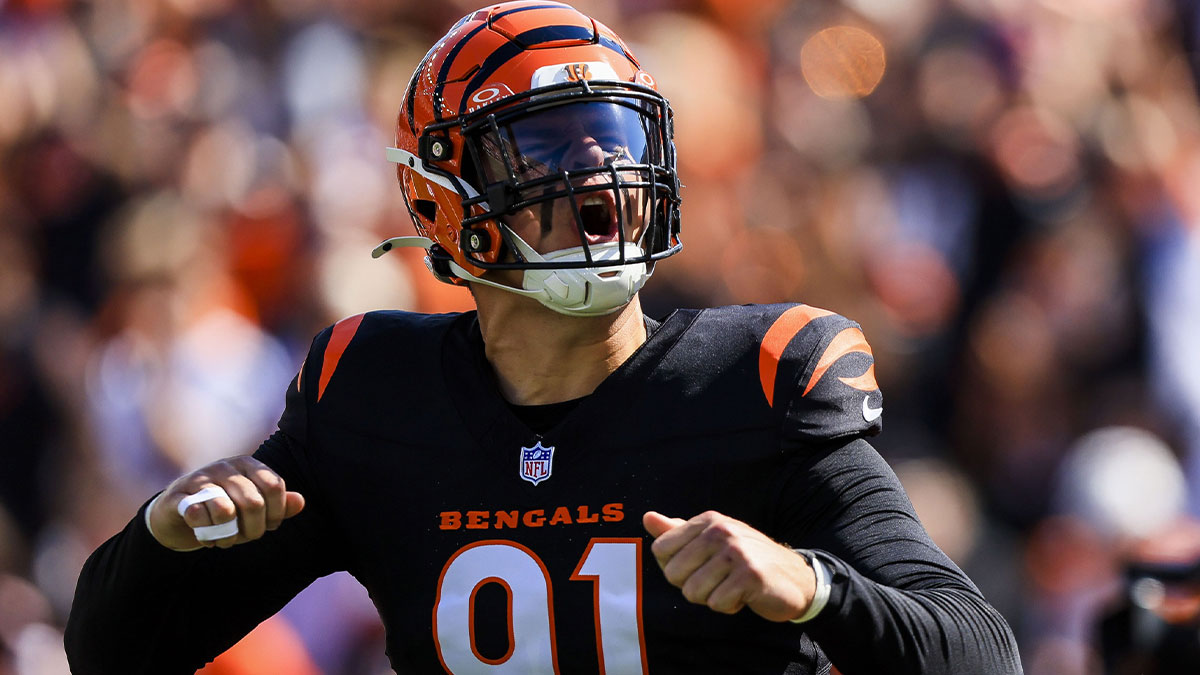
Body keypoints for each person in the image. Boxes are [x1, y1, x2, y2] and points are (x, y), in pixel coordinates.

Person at [65, 2, 1023, 673]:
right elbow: (113, 651)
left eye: (615, 138)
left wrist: (812, 585)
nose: (600, 173)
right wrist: (159, 539)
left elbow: (979, 652)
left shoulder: (754, 386)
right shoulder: (376, 399)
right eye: (551, 147)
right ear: (445, 200)